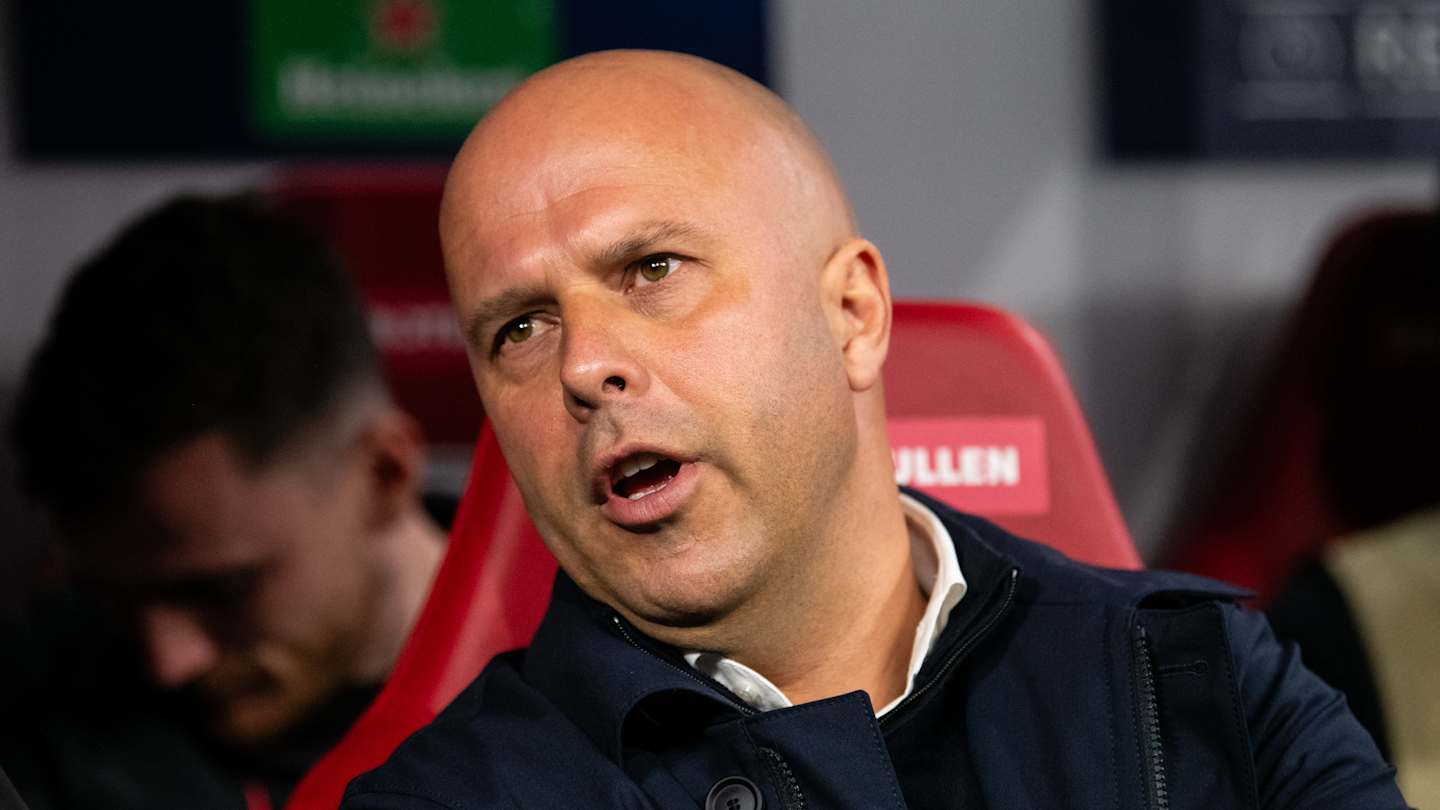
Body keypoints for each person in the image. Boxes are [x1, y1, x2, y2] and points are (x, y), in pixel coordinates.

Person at [343, 50, 1408, 809]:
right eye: (520, 329)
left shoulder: (1200, 682)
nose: (582, 364)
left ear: (852, 315)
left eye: (652, 269)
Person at [2, 195, 447, 809]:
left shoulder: (573, 683)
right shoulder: (34, 715)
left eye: (223, 588)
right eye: (113, 599)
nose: (169, 663)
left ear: (383, 476)